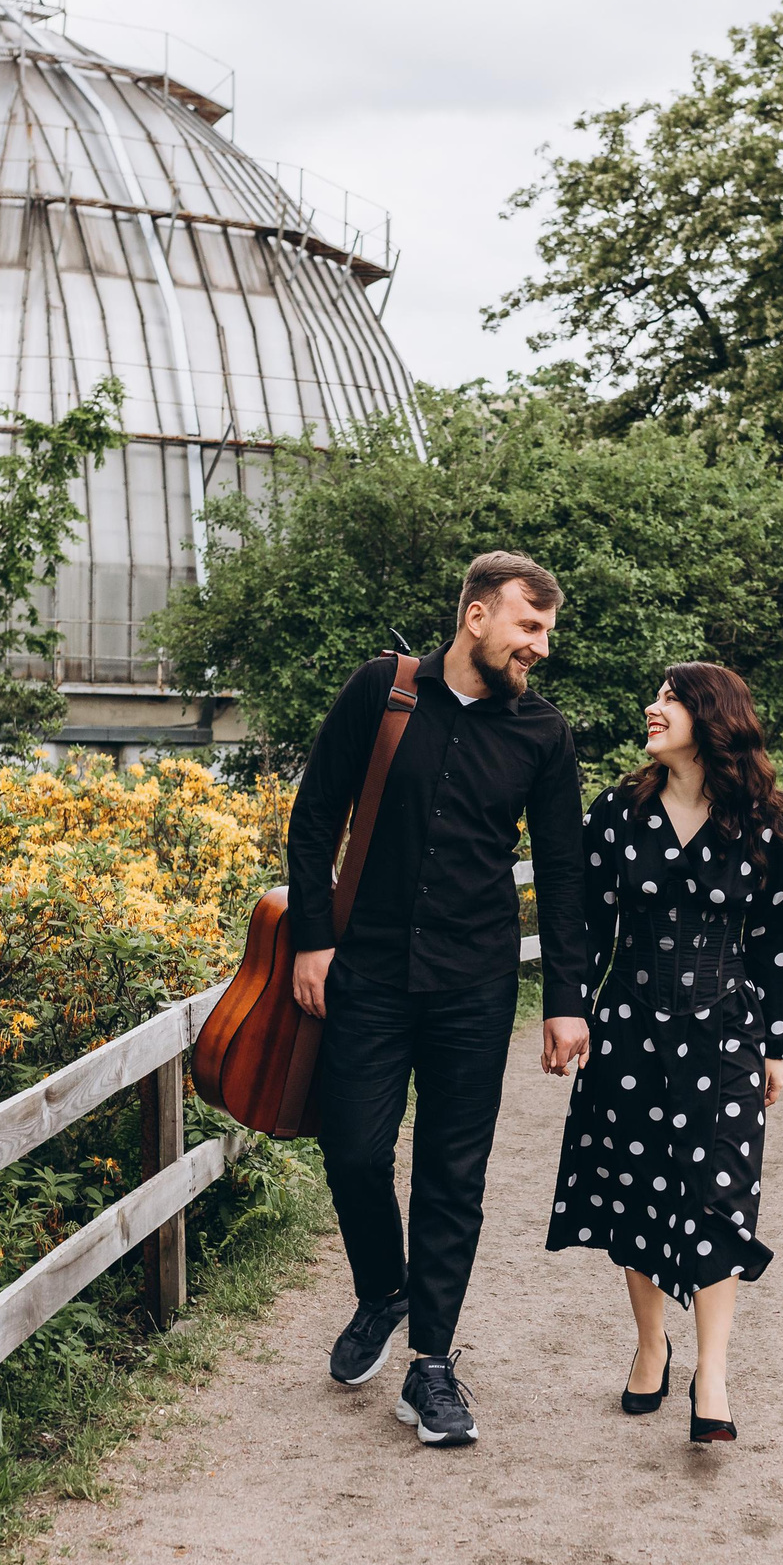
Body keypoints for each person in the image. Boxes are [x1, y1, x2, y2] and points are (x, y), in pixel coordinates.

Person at [287, 552, 593, 1448]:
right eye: (528, 626)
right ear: (476, 616)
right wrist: (313, 936)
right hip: (368, 973)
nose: (540, 646)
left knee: (453, 1176)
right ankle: (383, 1288)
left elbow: (565, 874)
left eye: (546, 630)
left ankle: (431, 1364)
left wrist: (565, 999)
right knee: (353, 1150)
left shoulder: (543, 731)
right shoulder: (383, 692)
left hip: (475, 982)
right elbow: (314, 819)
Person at [541, 663, 783, 1444]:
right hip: (629, 1026)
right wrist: (571, 1008)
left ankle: (713, 1371)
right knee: (636, 1186)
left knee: (719, 1193)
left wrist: (778, 1043)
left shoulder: (761, 824)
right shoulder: (620, 814)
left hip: (728, 1028)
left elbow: (779, 939)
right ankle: (651, 1341)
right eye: (655, 695)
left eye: (669, 698)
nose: (652, 708)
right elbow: (584, 922)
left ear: (711, 715)